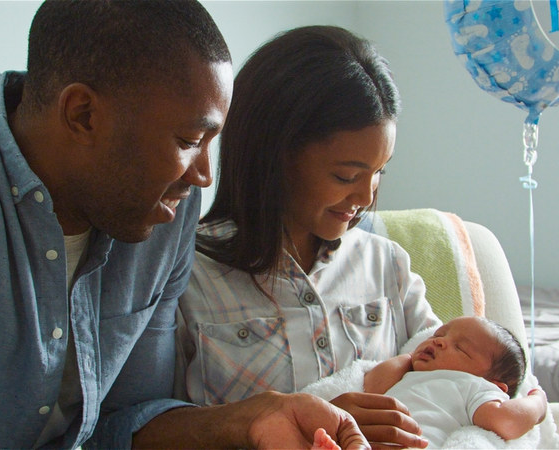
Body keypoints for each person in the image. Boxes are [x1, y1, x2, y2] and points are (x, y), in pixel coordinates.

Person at [0, 2, 369, 449]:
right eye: (190, 140)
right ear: (82, 114)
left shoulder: (166, 204)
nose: (205, 174)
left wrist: (252, 418)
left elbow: (124, 423)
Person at [175, 25, 441, 448]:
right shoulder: (187, 278)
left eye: (379, 173)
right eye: (347, 175)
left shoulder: (388, 265)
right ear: (275, 153)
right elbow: (150, 427)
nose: (366, 197)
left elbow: (459, 370)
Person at [305, 316, 548, 448]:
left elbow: (505, 421)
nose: (440, 342)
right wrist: (407, 359)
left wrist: (537, 404)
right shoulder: (409, 376)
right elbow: (373, 388)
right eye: (439, 335)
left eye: (461, 348)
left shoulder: (475, 387)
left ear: (496, 385)